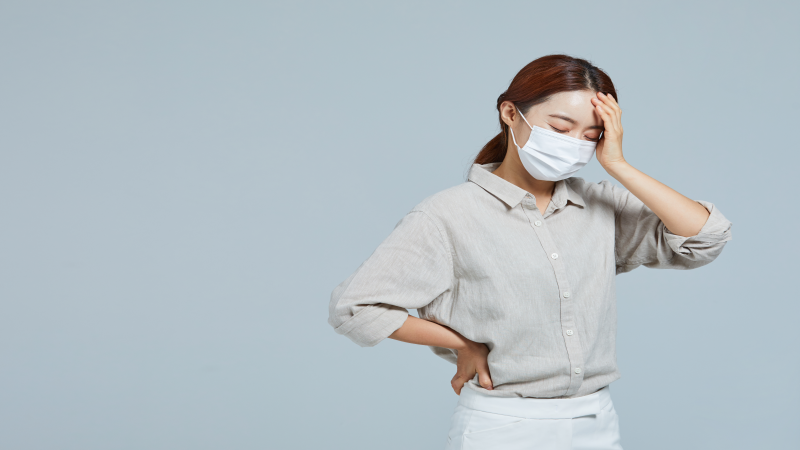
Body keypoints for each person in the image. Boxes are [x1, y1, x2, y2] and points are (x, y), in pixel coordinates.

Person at [326, 54, 733, 449]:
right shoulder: (448, 214)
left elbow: (706, 237)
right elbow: (355, 307)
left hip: (595, 422)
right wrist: (462, 344)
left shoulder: (601, 205)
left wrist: (619, 165)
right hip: (503, 426)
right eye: (560, 127)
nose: (574, 144)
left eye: (591, 136)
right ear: (510, 113)